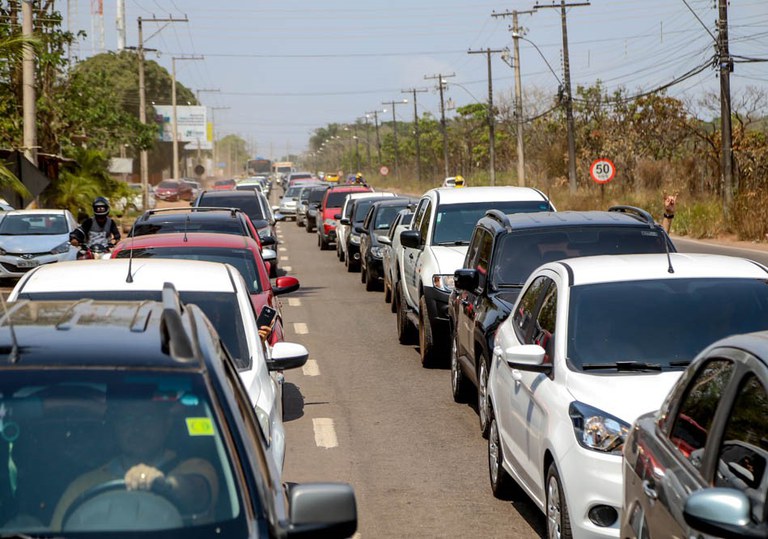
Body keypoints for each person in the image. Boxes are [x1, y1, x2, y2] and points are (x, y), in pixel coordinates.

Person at [51, 393, 218, 530]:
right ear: (115, 427)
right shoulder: (83, 487)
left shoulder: (194, 467)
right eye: (127, 419)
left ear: (166, 424)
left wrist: (163, 484)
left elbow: (195, 492)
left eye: (147, 418)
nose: (137, 428)